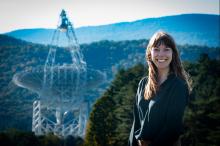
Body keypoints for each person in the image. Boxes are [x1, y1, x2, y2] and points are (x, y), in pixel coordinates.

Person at [128, 31, 192, 146]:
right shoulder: (143, 83)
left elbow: (172, 129)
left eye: (166, 49)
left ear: (173, 53)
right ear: (150, 53)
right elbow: (137, 122)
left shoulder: (178, 86)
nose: (161, 54)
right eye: (156, 49)